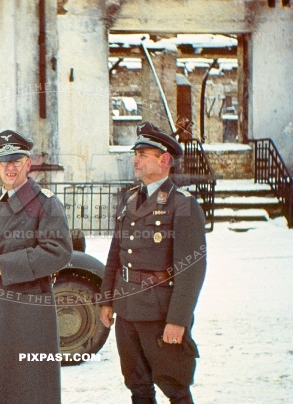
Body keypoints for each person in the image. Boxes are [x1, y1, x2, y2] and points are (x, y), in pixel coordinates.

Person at [99, 122, 207, 404]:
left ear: (165, 160)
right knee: (137, 386)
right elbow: (116, 254)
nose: (136, 159)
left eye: (144, 154)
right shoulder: (130, 199)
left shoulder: (183, 205)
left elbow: (191, 270)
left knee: (175, 388)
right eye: (136, 154)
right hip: (127, 309)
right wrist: (107, 300)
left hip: (160, 313)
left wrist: (178, 320)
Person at [0, 130, 72, 404]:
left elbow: (58, 251)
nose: (10, 168)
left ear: (28, 164)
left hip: (28, 306)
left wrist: (7, 265)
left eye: (17, 161)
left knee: (27, 381)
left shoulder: (46, 203)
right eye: (4, 162)